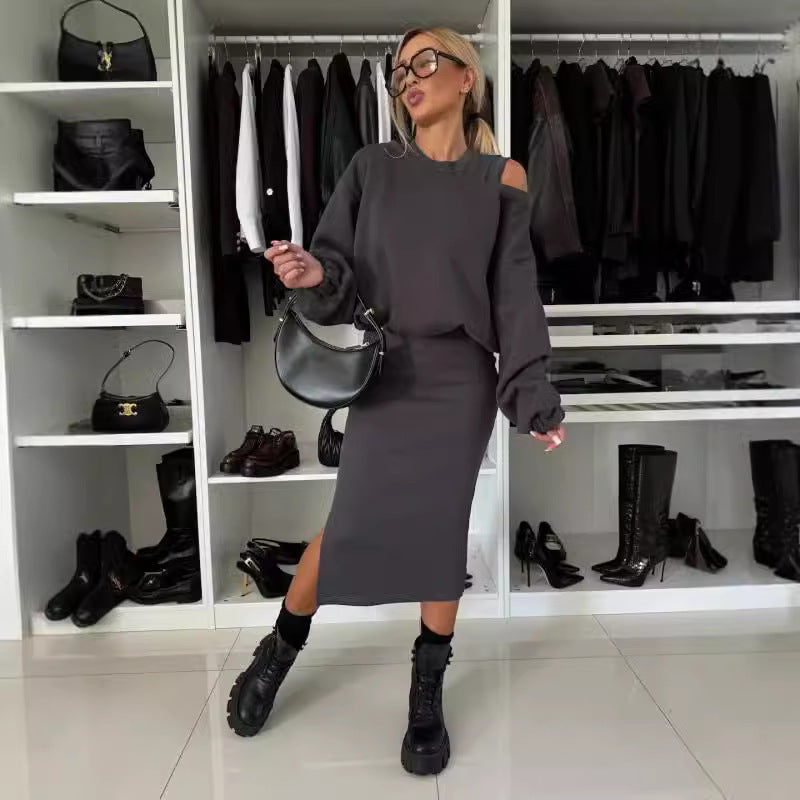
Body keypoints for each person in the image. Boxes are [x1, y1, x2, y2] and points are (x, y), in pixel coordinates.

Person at [226, 27, 565, 776]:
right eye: (399, 69)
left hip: (461, 382)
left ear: (466, 77)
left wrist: (532, 393)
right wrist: (312, 273)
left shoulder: (502, 177)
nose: (408, 77)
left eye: (425, 62)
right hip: (389, 369)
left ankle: (426, 689)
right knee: (350, 522)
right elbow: (339, 270)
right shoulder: (371, 167)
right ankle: (279, 648)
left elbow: (514, 292)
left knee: (441, 534)